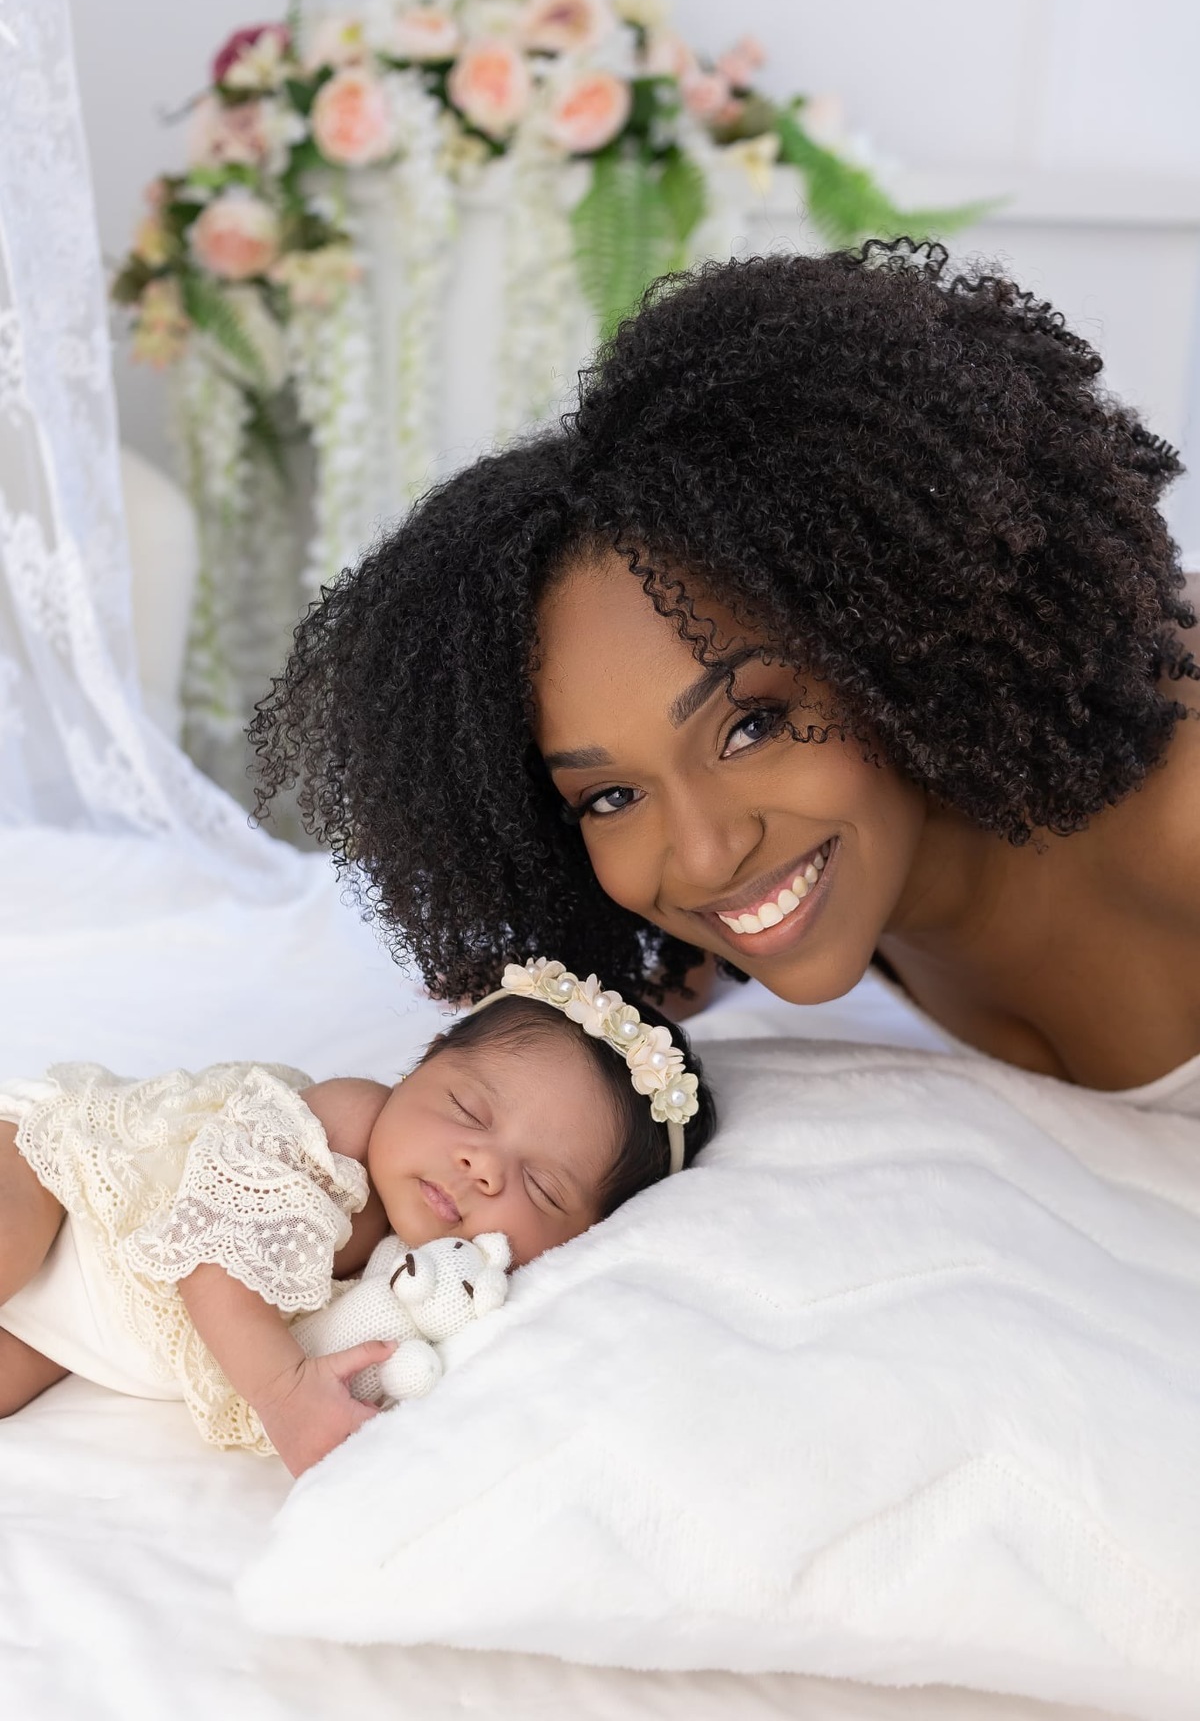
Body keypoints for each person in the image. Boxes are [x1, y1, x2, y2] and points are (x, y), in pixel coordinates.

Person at [252, 240, 1200, 1100]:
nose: (704, 855)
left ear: (895, 637)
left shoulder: (1178, 824)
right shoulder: (755, 901)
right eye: (612, 797)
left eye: (751, 726)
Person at [0, 963, 714, 1476]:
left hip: (92, 1322)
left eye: (543, 1187)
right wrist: (285, 1396)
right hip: (62, 1180)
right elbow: (213, 1253)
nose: (483, 1166)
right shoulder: (342, 1124)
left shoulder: (444, 1281)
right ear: (417, 1070)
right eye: (468, 1110)